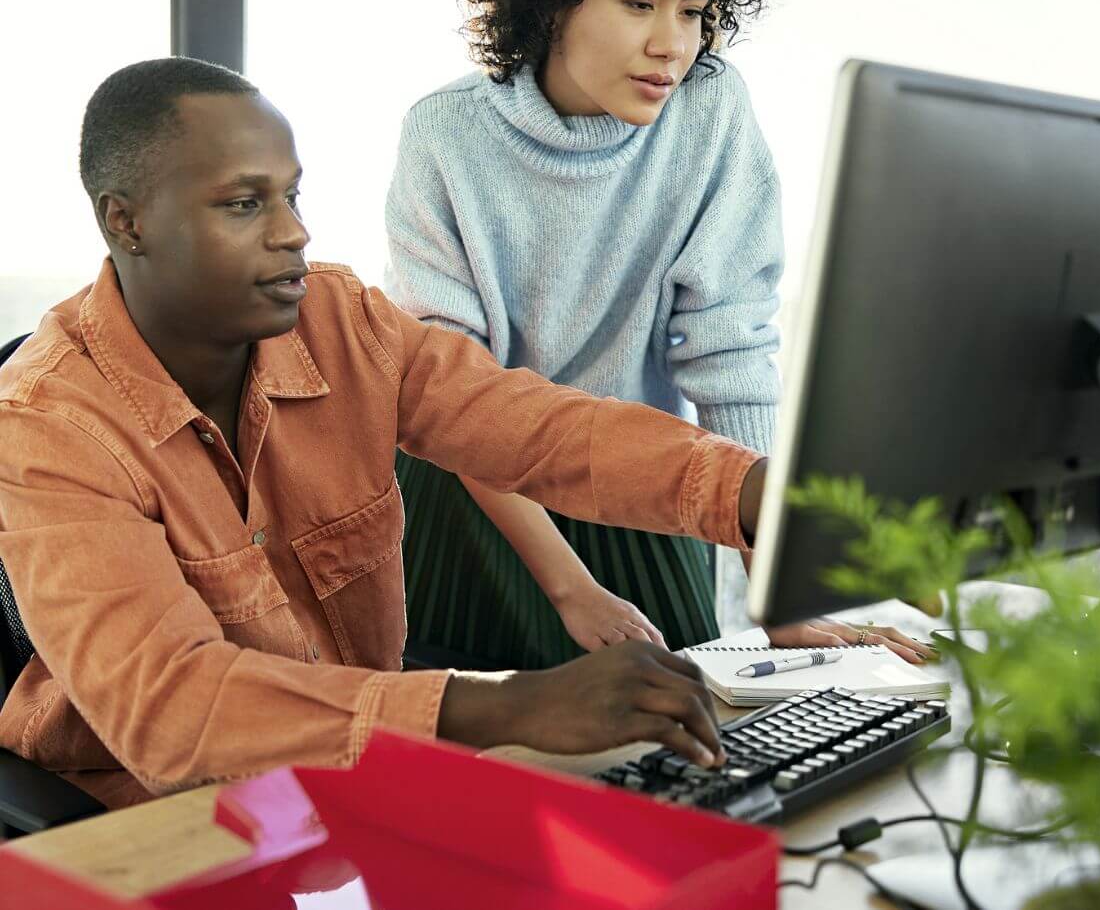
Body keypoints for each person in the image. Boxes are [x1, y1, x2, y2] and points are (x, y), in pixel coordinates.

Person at [0, 57, 767, 809]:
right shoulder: (47, 425)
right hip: (142, 823)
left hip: (348, 786)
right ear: (125, 221)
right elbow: (170, 706)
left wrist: (751, 492)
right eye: (244, 204)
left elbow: (541, 430)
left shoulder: (339, 321)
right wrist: (506, 707)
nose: (294, 232)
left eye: (293, 195)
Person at [386, 0, 931, 668]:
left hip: (644, 481)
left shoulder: (711, 112)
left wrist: (778, 589)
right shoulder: (445, 135)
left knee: (686, 721)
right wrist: (569, 585)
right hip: (473, 499)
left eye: (692, 10)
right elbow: (454, 397)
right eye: (639, 3)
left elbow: (731, 352)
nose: (671, 44)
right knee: (493, 751)